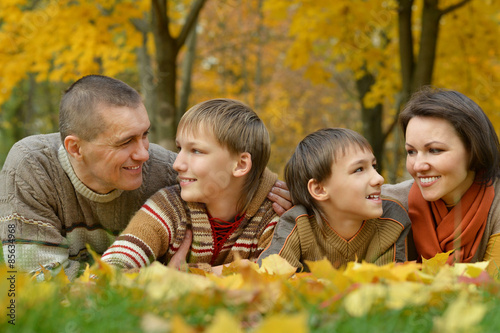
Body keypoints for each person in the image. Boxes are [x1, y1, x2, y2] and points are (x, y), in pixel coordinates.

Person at [0, 75, 291, 280]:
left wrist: (267, 186)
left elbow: (229, 169)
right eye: (125, 141)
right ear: (75, 148)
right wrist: (165, 279)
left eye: (145, 135)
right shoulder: (31, 167)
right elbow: (33, 283)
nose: (144, 154)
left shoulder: (164, 169)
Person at [101, 98, 279, 273]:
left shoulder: (273, 215)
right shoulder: (169, 206)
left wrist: (190, 276)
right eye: (180, 149)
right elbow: (111, 268)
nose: (177, 164)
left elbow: (278, 271)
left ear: (240, 165)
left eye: (196, 151)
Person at [382, 87, 500, 275]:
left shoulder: (497, 207)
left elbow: (493, 291)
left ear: (473, 148)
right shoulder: (389, 202)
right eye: (411, 151)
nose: (418, 165)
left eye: (435, 150)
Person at [258, 128, 411, 271]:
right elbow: (269, 279)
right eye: (359, 169)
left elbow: (386, 286)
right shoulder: (298, 223)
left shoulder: (391, 219)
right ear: (319, 189)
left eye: (374, 166)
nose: (379, 178)